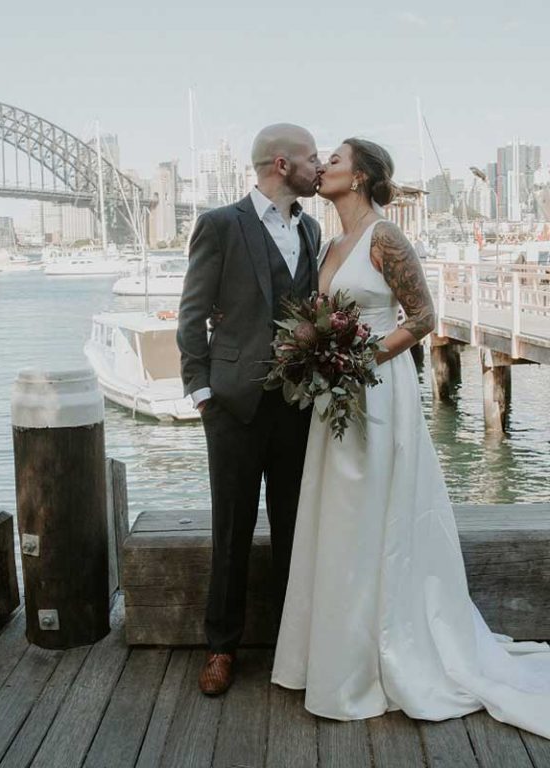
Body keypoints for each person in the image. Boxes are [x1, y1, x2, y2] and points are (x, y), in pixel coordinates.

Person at [272, 138, 550, 738]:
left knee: (375, 511)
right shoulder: (330, 242)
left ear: (363, 177)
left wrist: (357, 360)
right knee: (340, 519)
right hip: (335, 397)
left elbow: (422, 318)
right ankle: (338, 657)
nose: (324, 168)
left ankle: (384, 655)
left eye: (337, 161)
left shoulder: (383, 237)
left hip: (375, 390)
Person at [177, 123, 323, 695]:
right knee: (231, 529)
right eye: (313, 158)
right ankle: (220, 647)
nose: (320, 166)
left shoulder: (311, 228)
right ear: (283, 165)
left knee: (294, 529)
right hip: (233, 406)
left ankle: (295, 645)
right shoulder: (220, 224)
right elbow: (191, 315)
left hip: (296, 406)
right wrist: (202, 391)